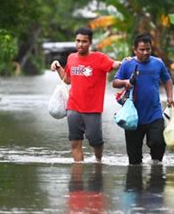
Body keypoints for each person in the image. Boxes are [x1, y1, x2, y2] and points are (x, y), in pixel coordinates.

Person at [50, 26, 121, 162]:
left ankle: (98, 161)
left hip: (92, 110)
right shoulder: (71, 58)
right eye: (78, 41)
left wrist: (127, 62)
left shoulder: (99, 58)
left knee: (96, 141)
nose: (80, 44)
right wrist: (58, 67)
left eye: (84, 41)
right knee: (75, 143)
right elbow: (68, 79)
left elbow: (114, 64)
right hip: (73, 108)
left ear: (90, 43)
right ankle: (78, 176)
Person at [112, 34, 174, 165]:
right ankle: (135, 182)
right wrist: (125, 82)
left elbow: (167, 80)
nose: (145, 52)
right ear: (135, 50)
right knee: (134, 160)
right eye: (142, 50)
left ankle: (156, 173)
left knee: (158, 142)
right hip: (132, 117)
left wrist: (170, 97)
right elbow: (115, 82)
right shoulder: (127, 64)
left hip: (154, 114)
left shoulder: (158, 63)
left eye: (148, 49)